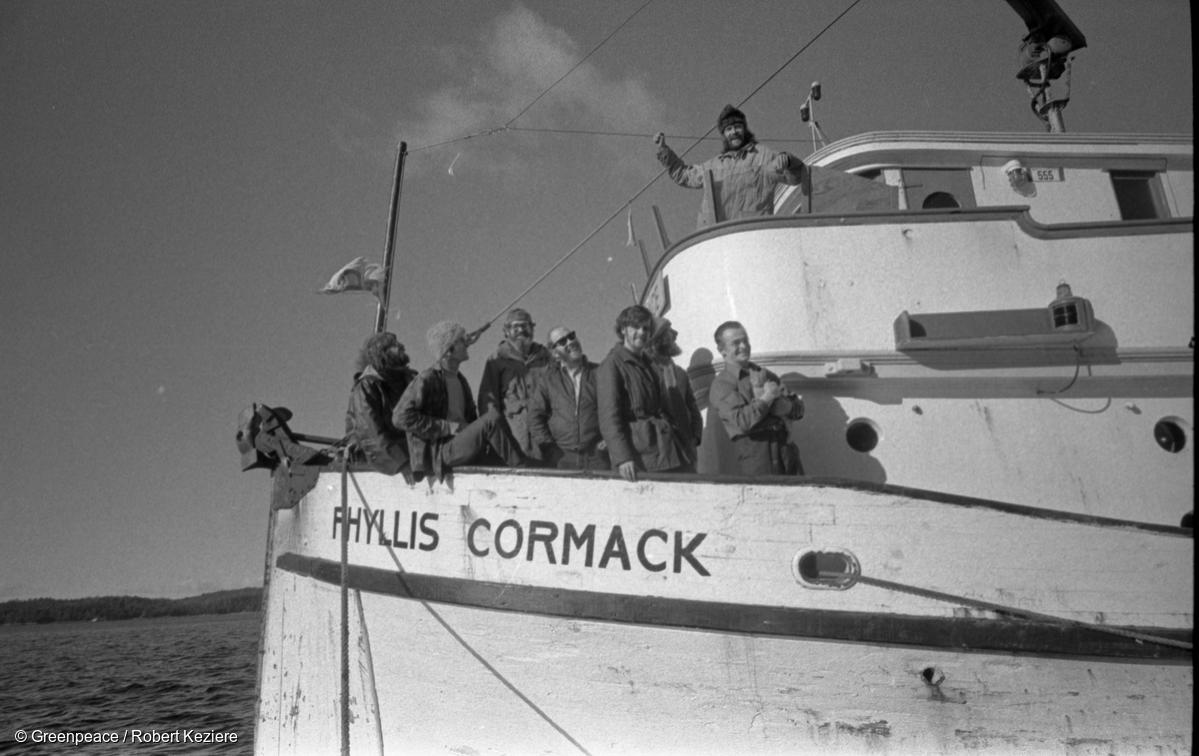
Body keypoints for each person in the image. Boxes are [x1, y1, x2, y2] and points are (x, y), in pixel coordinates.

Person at [393, 320, 525, 480]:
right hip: (441, 451)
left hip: (460, 446)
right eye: (462, 340)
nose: (467, 343)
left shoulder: (461, 380)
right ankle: (524, 475)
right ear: (449, 351)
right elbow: (400, 417)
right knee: (491, 419)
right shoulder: (427, 379)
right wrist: (448, 427)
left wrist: (464, 340)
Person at [654, 105, 805, 228]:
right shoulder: (714, 166)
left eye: (737, 127)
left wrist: (788, 161)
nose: (734, 132)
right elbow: (684, 176)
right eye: (728, 129)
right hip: (717, 240)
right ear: (724, 134)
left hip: (754, 235)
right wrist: (664, 150)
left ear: (744, 129)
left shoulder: (763, 156)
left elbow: (796, 177)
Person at [597, 305, 688, 482]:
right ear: (623, 330)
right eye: (635, 327)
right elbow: (609, 417)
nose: (641, 332)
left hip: (664, 449)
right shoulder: (612, 365)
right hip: (641, 456)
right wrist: (622, 458)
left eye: (646, 328)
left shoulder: (649, 364)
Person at [708, 321, 805, 476]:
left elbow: (799, 410)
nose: (744, 346)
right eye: (736, 343)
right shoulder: (722, 384)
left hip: (787, 457)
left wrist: (785, 407)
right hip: (757, 462)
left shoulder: (766, 374)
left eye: (745, 340)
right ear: (723, 351)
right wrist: (768, 398)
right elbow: (741, 422)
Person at [528, 326, 609, 470]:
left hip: (597, 457)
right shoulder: (548, 381)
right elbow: (535, 417)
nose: (570, 342)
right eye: (562, 341)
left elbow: (615, 409)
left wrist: (608, 440)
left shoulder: (600, 373)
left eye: (572, 336)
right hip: (562, 459)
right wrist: (550, 449)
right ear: (554, 353)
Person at [477, 308, 552, 462]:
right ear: (506, 331)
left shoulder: (546, 357)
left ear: (532, 328)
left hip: (547, 438)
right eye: (515, 326)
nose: (521, 330)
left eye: (525, 326)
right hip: (515, 440)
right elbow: (488, 404)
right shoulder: (496, 360)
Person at [344, 331, 414, 476]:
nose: (401, 346)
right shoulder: (367, 386)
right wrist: (401, 464)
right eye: (393, 345)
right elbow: (371, 435)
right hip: (384, 464)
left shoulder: (411, 380)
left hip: (414, 454)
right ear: (382, 353)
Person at [647, 316, 702, 473]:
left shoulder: (681, 373)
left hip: (688, 449)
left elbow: (693, 408)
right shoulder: (646, 372)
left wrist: (696, 437)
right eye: (669, 332)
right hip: (663, 452)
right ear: (658, 338)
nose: (675, 335)